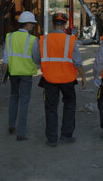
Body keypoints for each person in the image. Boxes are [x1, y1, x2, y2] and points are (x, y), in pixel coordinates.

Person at [35, 12, 87, 147]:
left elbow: (36, 59)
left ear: (53, 23)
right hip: (68, 79)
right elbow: (77, 62)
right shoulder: (71, 40)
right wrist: (83, 77)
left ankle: (52, 139)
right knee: (69, 104)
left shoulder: (43, 40)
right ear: (65, 25)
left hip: (49, 79)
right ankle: (66, 134)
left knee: (51, 107)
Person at [2, 11, 39, 141]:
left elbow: (5, 58)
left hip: (13, 72)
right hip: (26, 74)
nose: (33, 26)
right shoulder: (32, 40)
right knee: (24, 101)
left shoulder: (10, 37)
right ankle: (21, 133)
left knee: (13, 97)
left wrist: (4, 75)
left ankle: (11, 125)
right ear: (27, 24)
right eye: (32, 23)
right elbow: (36, 58)